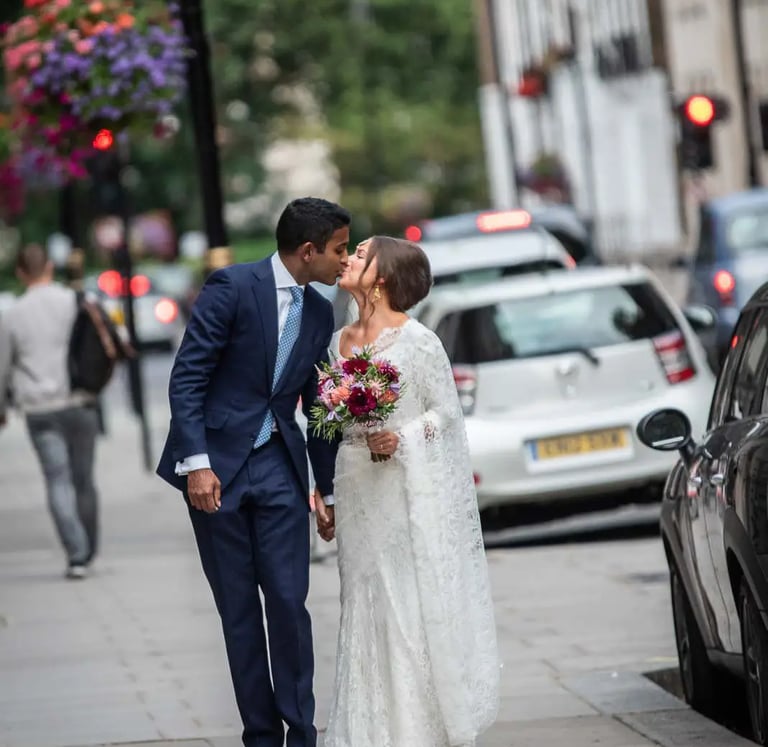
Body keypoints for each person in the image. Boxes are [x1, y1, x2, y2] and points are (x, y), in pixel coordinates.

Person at [156, 197, 349, 747]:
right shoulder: (232, 288)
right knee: (239, 613)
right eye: (339, 249)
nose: (345, 259)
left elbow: (316, 408)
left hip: (279, 469)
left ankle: (300, 732)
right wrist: (196, 464)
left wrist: (327, 489)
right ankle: (260, 736)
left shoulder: (318, 312)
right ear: (308, 251)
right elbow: (187, 378)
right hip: (214, 473)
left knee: (289, 602)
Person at [319, 236, 500, 747]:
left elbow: (446, 416)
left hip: (402, 488)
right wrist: (323, 493)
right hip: (355, 481)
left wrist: (402, 438)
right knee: (361, 598)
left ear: (381, 276)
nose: (349, 258)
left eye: (360, 253)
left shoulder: (419, 341)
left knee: (403, 600)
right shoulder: (338, 342)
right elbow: (327, 421)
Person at [0, 243, 102, 580]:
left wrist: (2, 406)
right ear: (49, 268)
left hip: (39, 409)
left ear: (19, 273)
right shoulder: (73, 301)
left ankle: (75, 555)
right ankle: (89, 548)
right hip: (79, 400)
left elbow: (3, 366)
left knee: (57, 480)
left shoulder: (12, 313)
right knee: (84, 479)